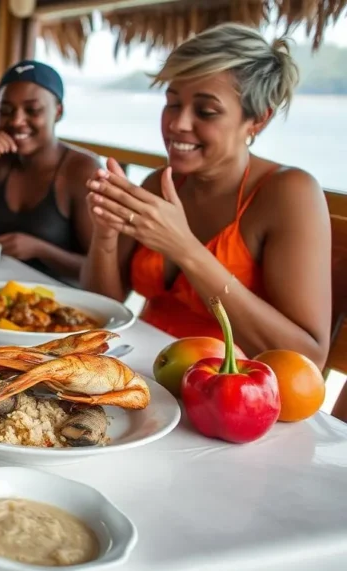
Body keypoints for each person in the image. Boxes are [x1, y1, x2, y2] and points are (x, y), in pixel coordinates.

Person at [82, 23, 331, 365]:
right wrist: (105, 237)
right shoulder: (161, 183)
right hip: (144, 371)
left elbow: (308, 358)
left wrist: (185, 249)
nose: (178, 124)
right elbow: (102, 311)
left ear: (257, 120)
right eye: (172, 103)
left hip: (229, 394)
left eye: (206, 111)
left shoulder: (288, 193)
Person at [0, 61, 101, 282]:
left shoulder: (82, 170)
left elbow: (100, 269)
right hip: (2, 289)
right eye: (5, 111)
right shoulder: (0, 162)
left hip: (64, 302)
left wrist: (40, 249)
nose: (16, 121)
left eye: (32, 110)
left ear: (58, 111)